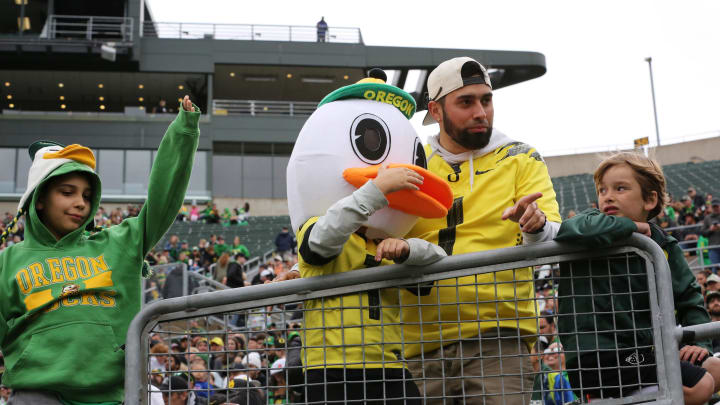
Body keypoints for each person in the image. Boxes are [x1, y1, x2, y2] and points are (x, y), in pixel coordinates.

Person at [0, 96, 199, 404]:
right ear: (39, 198)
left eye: (87, 194)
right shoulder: (7, 261)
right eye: (67, 192)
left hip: (114, 396)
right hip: (37, 396)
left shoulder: (119, 243)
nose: (81, 202)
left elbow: (163, 200)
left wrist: (182, 133)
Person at [399, 56, 561, 404]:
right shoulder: (413, 165)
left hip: (498, 340)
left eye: (486, 100)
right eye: (466, 102)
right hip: (420, 346)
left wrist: (535, 225)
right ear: (436, 111)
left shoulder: (521, 157)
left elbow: (552, 232)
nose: (480, 112)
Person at [554, 152, 720, 404]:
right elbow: (571, 229)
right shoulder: (588, 227)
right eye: (602, 190)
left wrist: (701, 344)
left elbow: (689, 299)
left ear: (650, 199)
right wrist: (631, 228)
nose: (607, 196)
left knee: (715, 368)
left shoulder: (663, 244)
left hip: (642, 354)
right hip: (598, 358)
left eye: (620, 188)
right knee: (700, 386)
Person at [298, 164, 448, 404]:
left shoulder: (388, 242)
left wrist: (407, 249)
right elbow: (323, 238)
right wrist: (377, 188)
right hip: (331, 368)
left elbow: (439, 260)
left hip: (390, 366)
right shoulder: (317, 226)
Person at [701, 199, 720, 267]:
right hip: (713, 247)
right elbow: (703, 233)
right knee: (715, 268)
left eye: (717, 206)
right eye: (714, 207)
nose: (715, 208)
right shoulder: (707, 218)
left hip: (714, 247)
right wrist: (710, 229)